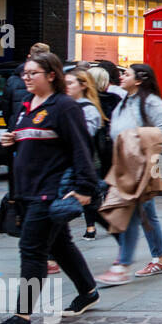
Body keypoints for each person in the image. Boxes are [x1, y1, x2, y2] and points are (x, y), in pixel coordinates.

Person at [0, 52, 100, 324]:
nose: (26, 78)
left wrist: (86, 189)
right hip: (26, 191)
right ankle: (88, 291)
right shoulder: (26, 106)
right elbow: (25, 145)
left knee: (32, 250)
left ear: (51, 75)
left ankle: (21, 317)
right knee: (60, 245)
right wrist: (9, 142)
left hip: (49, 192)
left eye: (32, 73)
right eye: (25, 73)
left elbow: (81, 148)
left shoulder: (64, 107)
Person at [94, 63, 162, 286]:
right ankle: (158, 258)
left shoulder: (151, 102)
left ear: (139, 80)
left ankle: (124, 264)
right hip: (128, 165)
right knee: (143, 212)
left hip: (148, 163)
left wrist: (133, 137)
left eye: (126, 74)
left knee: (136, 211)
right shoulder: (125, 101)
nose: (121, 76)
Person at [65, 66, 106, 241]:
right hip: (68, 162)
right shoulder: (65, 106)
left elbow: (83, 138)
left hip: (88, 161)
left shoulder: (89, 109)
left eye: (69, 83)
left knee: (90, 196)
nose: (65, 86)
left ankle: (95, 226)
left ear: (83, 85)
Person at [2, 42, 50, 127]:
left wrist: (12, 125)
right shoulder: (51, 79)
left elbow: (6, 109)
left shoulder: (13, 80)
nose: (27, 78)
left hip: (17, 128)